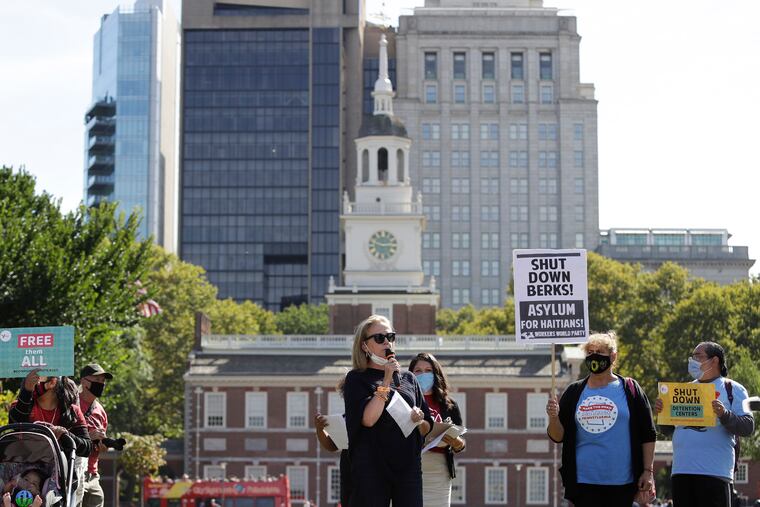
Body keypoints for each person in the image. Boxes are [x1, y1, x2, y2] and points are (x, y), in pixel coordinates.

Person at [545, 331, 657, 507]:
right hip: (584, 482)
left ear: (613, 356)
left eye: (599, 352)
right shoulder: (574, 392)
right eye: (589, 352)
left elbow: (648, 433)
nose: (593, 356)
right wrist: (553, 417)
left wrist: (647, 471)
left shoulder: (630, 389)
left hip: (623, 482)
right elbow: (557, 436)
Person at [343, 315, 433, 507]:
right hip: (371, 469)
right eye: (379, 338)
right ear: (364, 346)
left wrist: (419, 420)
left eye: (390, 336)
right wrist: (386, 380)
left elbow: (426, 428)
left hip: (408, 468)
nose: (387, 342)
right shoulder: (356, 379)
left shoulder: (409, 378)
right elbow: (368, 419)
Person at [654, 341, 754, 507]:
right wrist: (662, 414)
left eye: (697, 356)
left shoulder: (732, 389)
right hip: (682, 472)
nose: (692, 361)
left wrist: (724, 414)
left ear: (714, 361)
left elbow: (748, 427)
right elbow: (667, 430)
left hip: (714, 473)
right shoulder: (682, 390)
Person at [408, 352, 465, 507]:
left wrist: (456, 442)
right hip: (408, 469)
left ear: (436, 374)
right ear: (410, 374)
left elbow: (460, 443)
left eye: (428, 370)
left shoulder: (449, 404)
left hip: (439, 472)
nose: (423, 374)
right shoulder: (405, 400)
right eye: (418, 371)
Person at [9, 370, 92, 458]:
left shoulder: (72, 412)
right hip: (26, 467)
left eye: (34, 379)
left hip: (59, 469)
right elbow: (15, 427)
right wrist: (26, 392)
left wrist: (65, 435)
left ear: (52, 382)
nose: (27, 383)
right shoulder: (19, 406)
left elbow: (87, 448)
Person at [75, 364, 113, 507]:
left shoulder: (100, 411)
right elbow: (63, 437)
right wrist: (88, 437)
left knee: (98, 498)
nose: (101, 384)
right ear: (84, 381)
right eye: (97, 379)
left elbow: (100, 445)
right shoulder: (72, 404)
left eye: (103, 381)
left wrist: (104, 446)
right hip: (75, 471)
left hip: (93, 473)